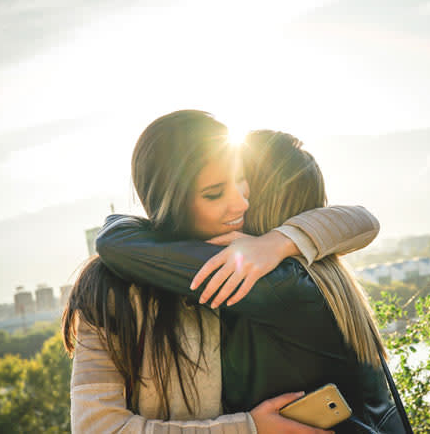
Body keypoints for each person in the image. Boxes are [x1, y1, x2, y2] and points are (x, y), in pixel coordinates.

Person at [63, 111, 382, 433]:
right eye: (214, 193)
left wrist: (279, 241)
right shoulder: (108, 288)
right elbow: (96, 428)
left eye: (243, 182)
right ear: (171, 199)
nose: (240, 204)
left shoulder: (260, 275)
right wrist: (247, 428)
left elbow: (363, 220)